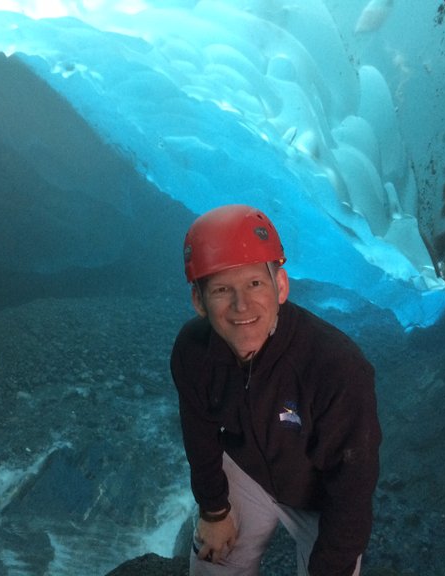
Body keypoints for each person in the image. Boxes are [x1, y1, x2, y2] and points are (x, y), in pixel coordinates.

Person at [171, 204, 381, 576]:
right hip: (248, 471)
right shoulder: (193, 351)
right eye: (221, 289)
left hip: (323, 499)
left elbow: (351, 487)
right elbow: (199, 434)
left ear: (280, 286)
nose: (241, 306)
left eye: (255, 283)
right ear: (198, 302)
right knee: (212, 563)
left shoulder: (337, 367)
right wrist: (214, 511)